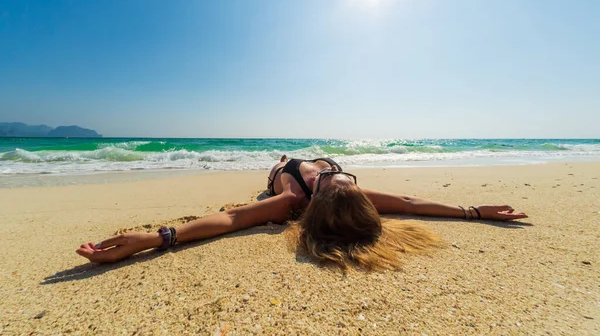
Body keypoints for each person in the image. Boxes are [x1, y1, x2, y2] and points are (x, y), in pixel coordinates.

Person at [76, 155, 528, 270]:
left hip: (286, 171)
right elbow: (410, 204)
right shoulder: (320, 194)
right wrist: (470, 210)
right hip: (292, 167)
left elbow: (231, 222)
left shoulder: (311, 197)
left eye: (345, 183)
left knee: (260, 204)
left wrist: (157, 238)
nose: (348, 181)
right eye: (344, 181)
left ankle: (275, 168)